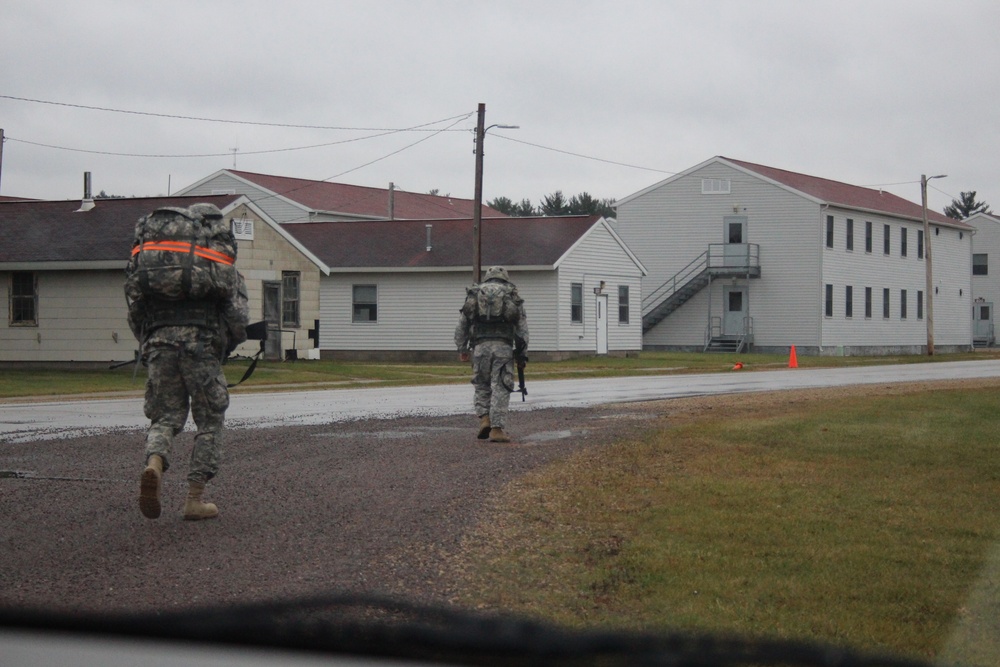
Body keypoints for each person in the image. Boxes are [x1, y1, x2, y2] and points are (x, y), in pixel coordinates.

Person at [127, 203, 249, 521]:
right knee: (209, 421)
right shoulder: (219, 268)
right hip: (201, 345)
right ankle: (194, 499)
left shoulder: (154, 264)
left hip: (158, 343)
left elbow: (135, 308)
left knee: (165, 418)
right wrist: (228, 344)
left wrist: (150, 341)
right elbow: (238, 317)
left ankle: (154, 463)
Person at [454, 266, 529, 443]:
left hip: (479, 348)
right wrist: (522, 355)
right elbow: (522, 329)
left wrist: (462, 349)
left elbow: (462, 325)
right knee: (501, 386)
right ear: (505, 278)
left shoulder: (475, 294)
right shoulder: (512, 294)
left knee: (481, 384)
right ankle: (497, 429)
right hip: (503, 348)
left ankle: (484, 418)